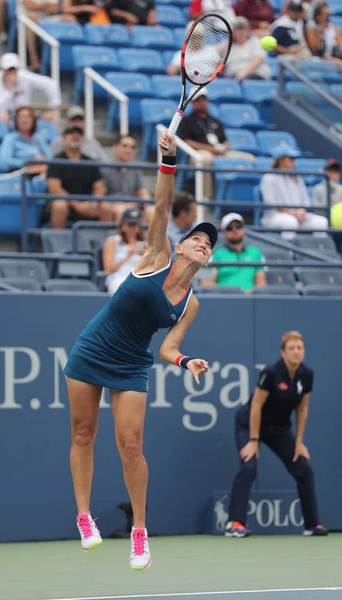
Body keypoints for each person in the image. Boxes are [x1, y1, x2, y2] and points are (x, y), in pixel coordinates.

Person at [63, 130, 218, 570]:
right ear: (181, 243)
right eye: (199, 238)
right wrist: (168, 160)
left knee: (130, 444)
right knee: (82, 433)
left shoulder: (192, 303)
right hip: (92, 348)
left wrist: (187, 360)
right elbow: (163, 204)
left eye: (211, 244)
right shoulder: (156, 254)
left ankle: (139, 532)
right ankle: (84, 517)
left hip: (132, 362)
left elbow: (168, 348)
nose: (205, 244)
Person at [225, 331, 328, 538]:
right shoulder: (271, 372)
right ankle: (234, 523)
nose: (296, 352)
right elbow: (256, 406)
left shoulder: (307, 375)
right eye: (291, 348)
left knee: (304, 469)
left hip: (279, 429)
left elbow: (302, 408)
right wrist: (253, 440)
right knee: (249, 467)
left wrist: (299, 441)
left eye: (300, 348)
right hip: (250, 424)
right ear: (283, 352)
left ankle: (312, 524)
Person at [177, 88, 255, 200]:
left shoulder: (214, 120)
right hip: (198, 153)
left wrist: (224, 147)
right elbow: (186, 141)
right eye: (198, 100)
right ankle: (206, 197)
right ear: (192, 103)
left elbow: (225, 140)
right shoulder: (187, 121)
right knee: (205, 159)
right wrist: (209, 149)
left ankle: (244, 196)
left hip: (219, 151)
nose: (201, 103)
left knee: (249, 159)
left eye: (204, 99)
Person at [47, 124, 111, 227]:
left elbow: (99, 186)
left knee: (106, 206)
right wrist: (77, 205)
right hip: (66, 203)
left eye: (79, 134)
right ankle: (58, 241)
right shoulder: (56, 161)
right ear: (64, 138)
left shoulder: (90, 161)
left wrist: (93, 203)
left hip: (86, 204)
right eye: (71, 133)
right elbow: (54, 188)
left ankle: (107, 241)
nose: (75, 136)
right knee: (60, 205)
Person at [260, 144, 328, 234]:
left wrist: (302, 212)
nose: (294, 161)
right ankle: (289, 248)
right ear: (281, 160)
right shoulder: (268, 178)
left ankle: (320, 248)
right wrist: (292, 213)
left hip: (299, 216)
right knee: (290, 222)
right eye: (291, 158)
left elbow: (306, 200)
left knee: (321, 222)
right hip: (275, 216)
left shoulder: (297, 178)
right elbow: (271, 204)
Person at [0, 53, 61, 124]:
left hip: (24, 114)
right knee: (2, 117)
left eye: (14, 69)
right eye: (8, 69)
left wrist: (53, 108)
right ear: (2, 69)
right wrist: (9, 88)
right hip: (2, 113)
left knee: (53, 117)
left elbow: (51, 84)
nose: (11, 72)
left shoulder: (24, 76)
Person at [201, 213, 266, 292]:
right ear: (224, 232)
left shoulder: (256, 252)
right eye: (229, 228)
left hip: (250, 300)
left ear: (244, 229)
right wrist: (229, 295)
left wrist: (249, 294)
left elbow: (261, 284)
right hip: (223, 301)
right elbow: (206, 282)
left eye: (238, 226)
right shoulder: (213, 254)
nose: (234, 230)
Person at [101, 135, 152, 222]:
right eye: (124, 146)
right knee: (122, 211)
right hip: (114, 205)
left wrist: (145, 203)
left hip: (132, 204)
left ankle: (147, 236)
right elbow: (101, 196)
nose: (128, 150)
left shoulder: (135, 170)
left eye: (132, 147)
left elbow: (143, 192)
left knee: (152, 210)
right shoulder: (105, 169)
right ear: (115, 147)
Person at [103, 207, 146, 295]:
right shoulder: (112, 241)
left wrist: (145, 255)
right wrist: (127, 256)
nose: (132, 228)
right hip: (117, 278)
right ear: (123, 224)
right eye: (130, 224)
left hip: (139, 279)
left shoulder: (145, 244)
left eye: (135, 224)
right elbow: (108, 268)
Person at [0, 106, 52, 173]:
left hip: (41, 170)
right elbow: (4, 163)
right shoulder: (10, 138)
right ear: (16, 120)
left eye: (28, 116)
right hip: (21, 172)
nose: (24, 119)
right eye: (21, 117)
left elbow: (50, 159)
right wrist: (29, 162)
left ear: (33, 120)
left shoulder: (39, 138)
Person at [224, 17, 272, 81]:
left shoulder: (255, 41)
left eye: (243, 29)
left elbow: (257, 60)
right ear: (233, 32)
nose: (241, 32)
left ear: (248, 30)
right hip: (232, 76)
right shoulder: (228, 45)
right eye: (238, 29)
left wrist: (242, 74)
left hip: (255, 74)